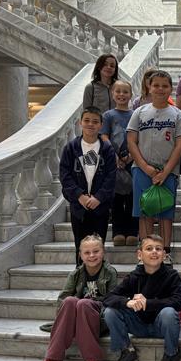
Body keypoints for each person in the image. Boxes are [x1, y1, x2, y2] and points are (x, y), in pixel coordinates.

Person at [126, 70, 181, 264]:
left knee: (165, 213)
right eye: (156, 85)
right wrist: (145, 167)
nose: (160, 89)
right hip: (142, 170)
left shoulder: (177, 115)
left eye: (165, 86)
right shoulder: (139, 112)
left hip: (167, 172)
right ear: (149, 87)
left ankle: (165, 251)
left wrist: (166, 171)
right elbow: (131, 141)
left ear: (170, 88)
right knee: (144, 212)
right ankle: (144, 251)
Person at [35, 235, 118, 361]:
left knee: (83, 303)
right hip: (78, 318)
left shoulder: (110, 272)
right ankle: (53, 359)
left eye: (96, 251)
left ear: (103, 252)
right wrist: (70, 319)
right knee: (69, 301)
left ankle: (92, 359)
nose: (92, 255)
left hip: (99, 320)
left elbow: (112, 301)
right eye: (87, 252)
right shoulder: (76, 274)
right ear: (80, 255)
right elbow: (62, 300)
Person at [103, 235, 181, 361]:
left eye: (158, 249)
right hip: (138, 325)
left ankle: (172, 354)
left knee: (169, 312)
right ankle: (127, 352)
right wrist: (127, 302)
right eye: (149, 248)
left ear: (164, 255)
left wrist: (148, 303)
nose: (154, 251)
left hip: (162, 326)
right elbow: (109, 297)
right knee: (110, 311)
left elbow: (179, 301)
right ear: (140, 255)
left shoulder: (172, 275)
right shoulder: (134, 276)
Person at [59, 106, 116, 265]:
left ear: (101, 125)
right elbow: (65, 175)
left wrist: (99, 197)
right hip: (79, 207)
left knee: (98, 246)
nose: (91, 124)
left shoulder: (107, 149)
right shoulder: (71, 148)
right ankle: (80, 280)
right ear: (80, 123)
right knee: (81, 246)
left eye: (95, 121)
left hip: (100, 207)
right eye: (87, 120)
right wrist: (79, 196)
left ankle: (98, 282)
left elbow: (111, 177)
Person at [100, 80, 137, 246]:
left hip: (131, 161)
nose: (122, 95)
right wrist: (113, 156)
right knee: (115, 200)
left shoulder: (135, 114)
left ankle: (132, 231)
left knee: (131, 198)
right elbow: (104, 136)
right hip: (113, 162)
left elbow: (138, 137)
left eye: (125, 92)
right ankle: (118, 231)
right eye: (118, 91)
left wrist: (131, 156)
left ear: (130, 94)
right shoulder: (108, 115)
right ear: (113, 94)